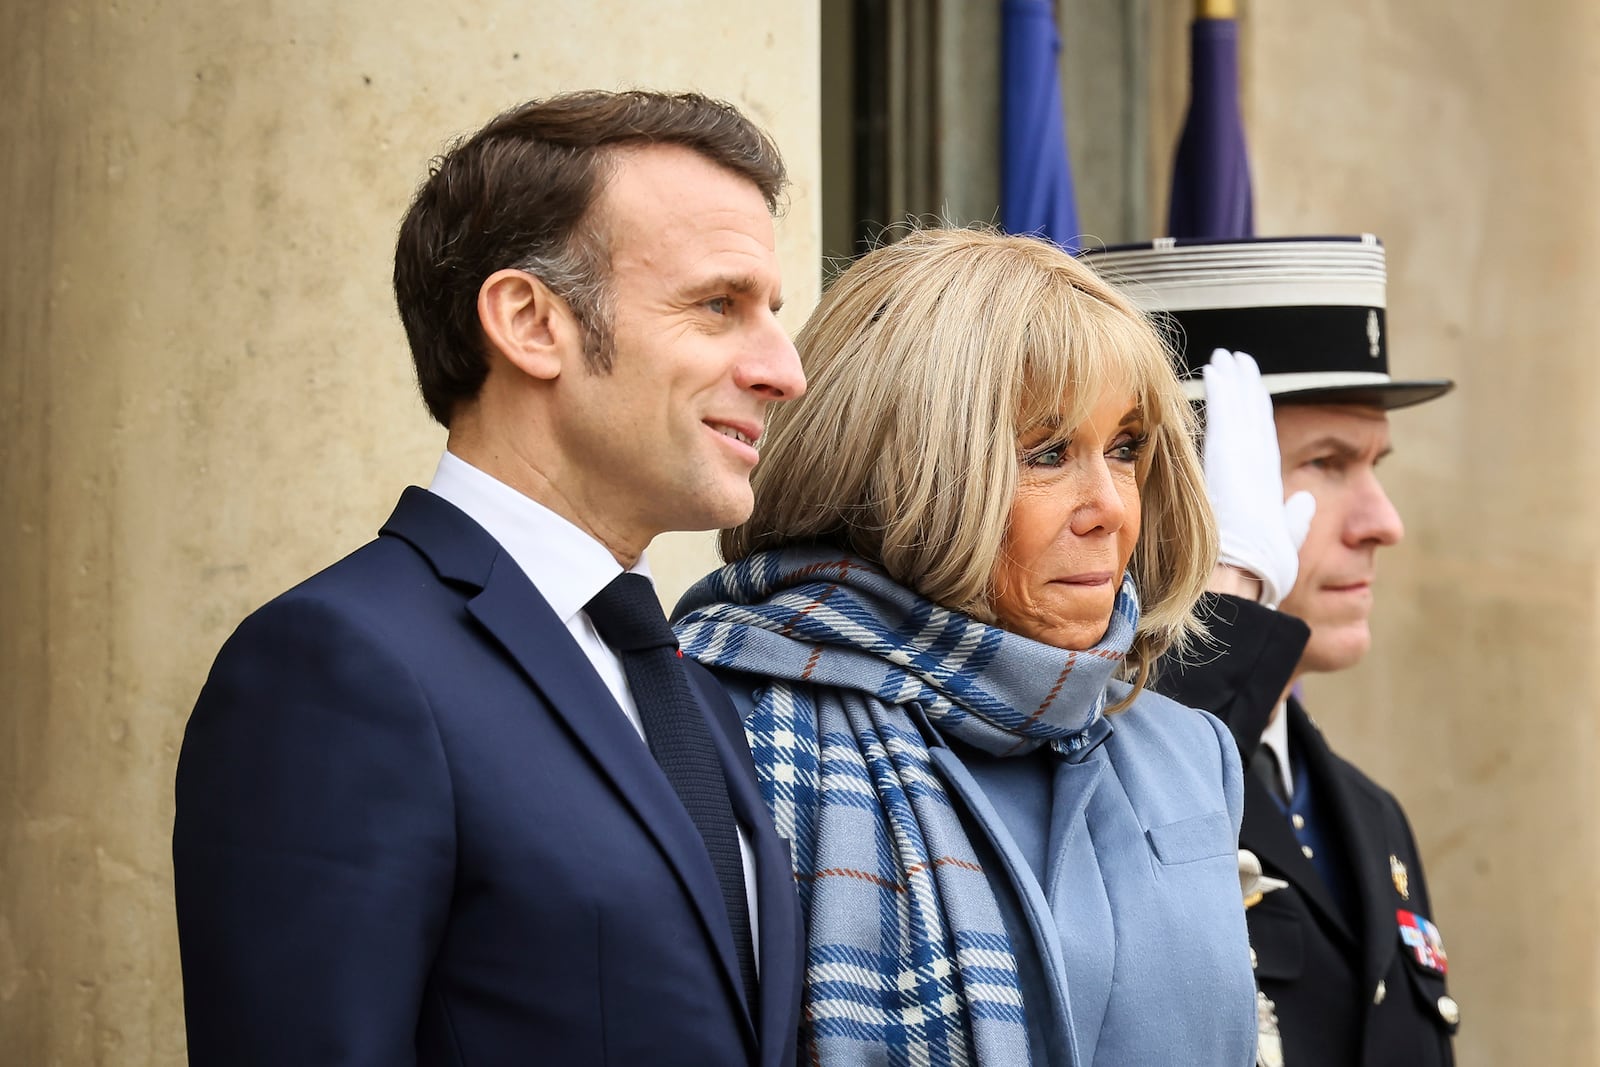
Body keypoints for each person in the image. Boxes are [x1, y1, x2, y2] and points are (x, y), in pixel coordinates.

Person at [172, 90, 809, 1066]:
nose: (783, 368)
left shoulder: (686, 687)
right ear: (529, 321)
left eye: (772, 311)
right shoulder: (335, 669)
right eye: (718, 304)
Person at [673, 228, 1257, 1066]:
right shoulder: (708, 727)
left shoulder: (1192, 755)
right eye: (1049, 453)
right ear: (900, 470)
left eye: (1125, 448)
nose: (1111, 508)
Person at [1084, 235, 1458, 1066]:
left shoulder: (1368, 813)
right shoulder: (1087, 768)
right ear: (1186, 488)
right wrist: (1226, 593)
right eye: (1327, 462)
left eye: (1375, 464)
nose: (1382, 522)